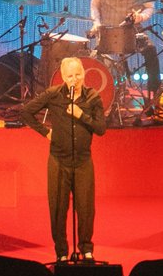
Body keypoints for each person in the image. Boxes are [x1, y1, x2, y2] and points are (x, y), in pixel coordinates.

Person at [21, 56, 107, 262]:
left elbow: (101, 129)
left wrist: (80, 115)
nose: (74, 80)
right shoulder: (54, 94)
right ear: (63, 77)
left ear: (84, 74)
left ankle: (86, 249)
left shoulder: (92, 97)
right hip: (59, 161)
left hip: (83, 161)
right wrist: (45, 132)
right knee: (58, 208)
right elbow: (26, 112)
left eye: (78, 75)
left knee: (86, 209)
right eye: (70, 76)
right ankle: (61, 252)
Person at [89, 0, 161, 104]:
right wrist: (97, 23)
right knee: (97, 59)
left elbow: (150, 8)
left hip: (133, 30)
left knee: (151, 50)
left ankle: (155, 95)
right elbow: (94, 6)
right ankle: (103, 99)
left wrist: (140, 17)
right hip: (108, 30)